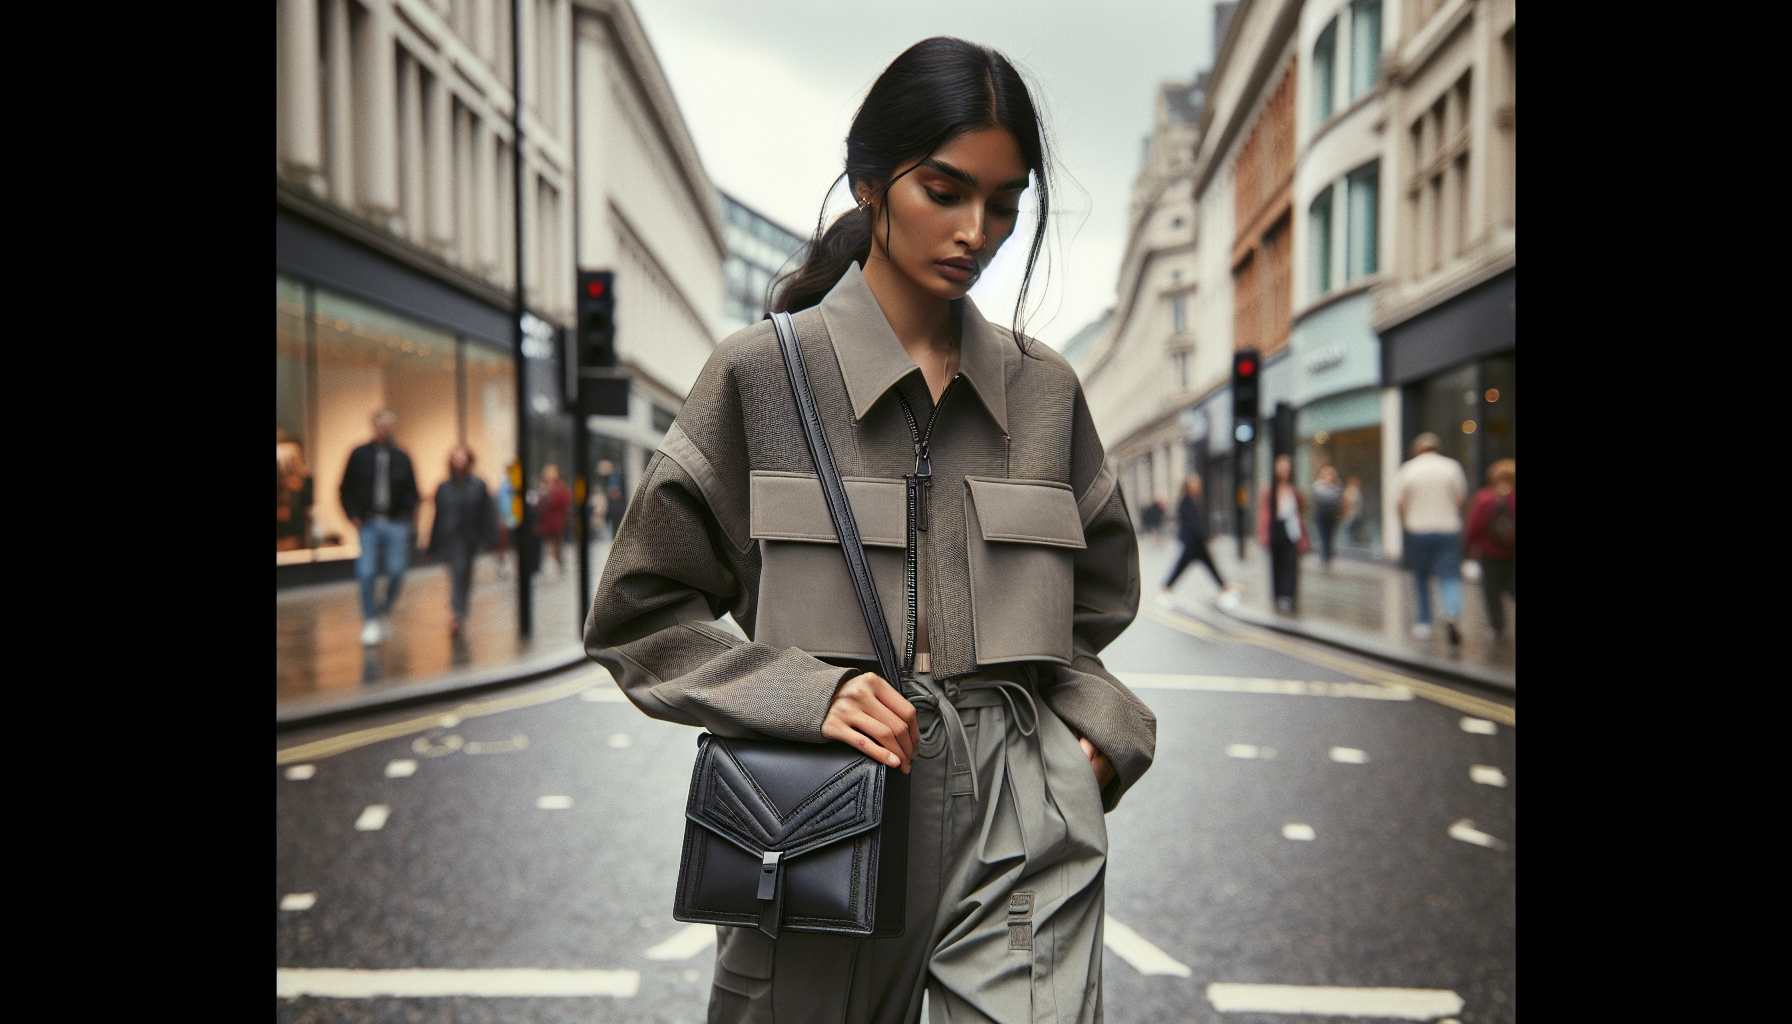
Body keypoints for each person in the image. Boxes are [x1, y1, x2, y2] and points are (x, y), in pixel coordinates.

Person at [585, 37, 1151, 1024]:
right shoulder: (756, 375)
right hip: (820, 805)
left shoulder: (1045, 391)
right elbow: (639, 613)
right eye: (945, 189)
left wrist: (1093, 739)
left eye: (1006, 202)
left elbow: (1095, 603)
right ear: (870, 183)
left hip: (1018, 808)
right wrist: (804, 693)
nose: (977, 230)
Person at [340, 410, 420, 646]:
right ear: (373, 426)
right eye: (378, 425)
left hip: (395, 524)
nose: (382, 429)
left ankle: (381, 610)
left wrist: (405, 516)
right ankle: (370, 619)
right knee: (366, 571)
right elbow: (345, 488)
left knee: (397, 571)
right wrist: (353, 515)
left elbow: (412, 491)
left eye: (386, 425)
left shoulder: (402, 457)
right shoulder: (358, 455)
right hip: (369, 523)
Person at [1397, 432, 1469, 645]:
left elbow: (1400, 502)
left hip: (1418, 530)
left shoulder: (1408, 469)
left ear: (1417, 449)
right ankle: (1451, 615)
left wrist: (1407, 523)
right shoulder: (1451, 467)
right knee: (1450, 576)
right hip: (1447, 529)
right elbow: (1459, 498)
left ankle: (1424, 623)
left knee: (1421, 578)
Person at [428, 445, 498, 636]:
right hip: (449, 539)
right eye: (456, 458)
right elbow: (438, 517)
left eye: (463, 458)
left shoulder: (478, 485)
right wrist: (432, 546)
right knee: (457, 574)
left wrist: (490, 538)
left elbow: (487, 513)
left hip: (470, 539)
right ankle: (457, 614)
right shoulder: (444, 488)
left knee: (464, 575)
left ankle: (460, 611)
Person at [1159, 474, 1240, 609]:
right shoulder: (1186, 501)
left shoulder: (1191, 500)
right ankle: (1165, 589)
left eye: (1197, 484)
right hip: (1193, 541)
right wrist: (1206, 535)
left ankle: (1224, 587)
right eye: (1193, 485)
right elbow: (1193, 524)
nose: (1196, 487)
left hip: (1194, 541)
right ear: (1187, 487)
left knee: (1206, 564)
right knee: (1187, 566)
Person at [1465, 458, 1516, 639]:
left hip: (1490, 551)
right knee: (1511, 585)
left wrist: (1468, 547)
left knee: (1491, 589)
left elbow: (1474, 526)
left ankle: (1497, 626)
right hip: (1512, 552)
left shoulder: (1485, 498)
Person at [1257, 454, 1309, 612]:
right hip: (1276, 528)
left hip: (1290, 529)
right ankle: (1278, 593)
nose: (1284, 472)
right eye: (1281, 468)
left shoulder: (1294, 490)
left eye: (1287, 469)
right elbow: (1263, 512)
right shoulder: (1269, 490)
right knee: (1277, 562)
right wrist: (1262, 532)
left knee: (1291, 562)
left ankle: (1287, 595)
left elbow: (1301, 509)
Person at [535, 464, 572, 575]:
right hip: (545, 521)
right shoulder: (542, 487)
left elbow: (565, 501)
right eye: (547, 472)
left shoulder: (561, 487)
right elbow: (538, 504)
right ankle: (546, 565)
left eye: (552, 472)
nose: (549, 475)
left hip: (557, 521)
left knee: (557, 544)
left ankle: (558, 564)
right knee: (545, 544)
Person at [1311, 465, 1343, 567]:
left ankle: (1328, 555)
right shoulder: (1317, 486)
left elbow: (1338, 500)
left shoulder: (1337, 487)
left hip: (1332, 515)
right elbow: (1317, 499)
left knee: (1330, 536)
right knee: (1323, 536)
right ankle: (1324, 557)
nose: (1329, 477)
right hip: (1321, 514)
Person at [1341, 474, 1365, 545]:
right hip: (1352, 514)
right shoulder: (1352, 490)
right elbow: (1347, 503)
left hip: (1355, 514)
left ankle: (1351, 544)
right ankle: (1350, 544)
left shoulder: (1355, 490)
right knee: (1351, 531)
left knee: (1352, 531)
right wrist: (1346, 513)